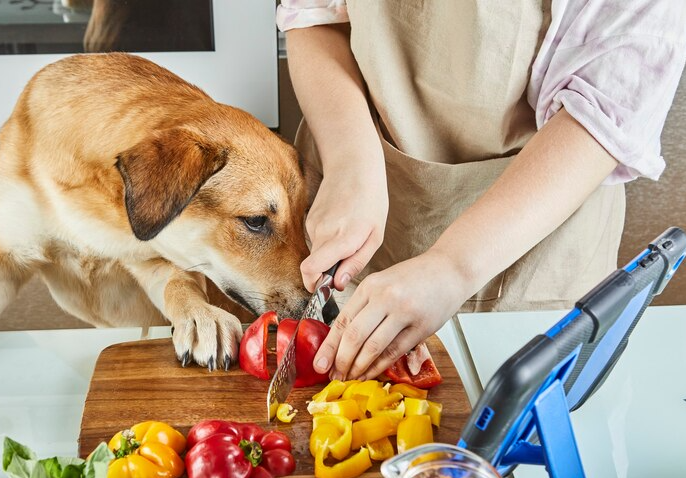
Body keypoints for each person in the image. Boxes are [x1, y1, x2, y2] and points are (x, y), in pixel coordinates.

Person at [277, 0, 686, 382]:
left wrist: (451, 266)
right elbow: (315, 15)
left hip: (538, 242)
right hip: (365, 191)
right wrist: (351, 164)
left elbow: (606, 107)